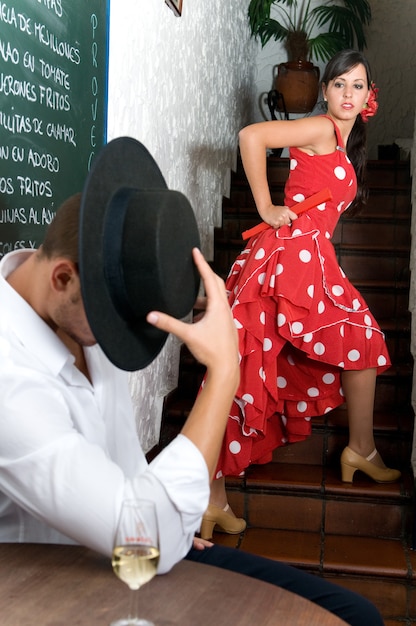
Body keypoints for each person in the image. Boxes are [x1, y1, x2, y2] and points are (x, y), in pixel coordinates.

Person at [0, 137, 384, 625]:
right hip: (53, 588)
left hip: (133, 552)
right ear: (61, 279)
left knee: (356, 614)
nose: (123, 332)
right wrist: (225, 372)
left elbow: (127, 470)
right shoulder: (8, 377)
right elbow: (139, 530)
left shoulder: (83, 315)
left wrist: (170, 517)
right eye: (115, 319)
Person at [202, 49, 401, 541]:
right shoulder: (319, 129)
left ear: (369, 96)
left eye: (357, 86)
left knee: (362, 342)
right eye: (338, 84)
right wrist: (267, 206)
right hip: (286, 260)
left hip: (310, 261)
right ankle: (209, 496)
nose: (347, 94)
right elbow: (252, 136)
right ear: (325, 90)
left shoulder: (341, 140)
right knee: (243, 368)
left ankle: (360, 448)